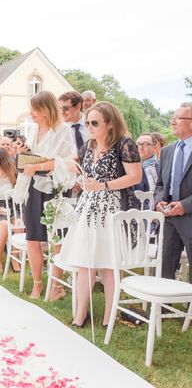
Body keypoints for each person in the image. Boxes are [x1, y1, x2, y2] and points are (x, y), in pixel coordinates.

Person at [61, 102, 142, 327]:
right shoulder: (88, 145)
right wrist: (75, 171)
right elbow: (74, 162)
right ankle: (80, 314)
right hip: (88, 208)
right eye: (87, 123)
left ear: (110, 123)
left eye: (94, 123)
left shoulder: (125, 144)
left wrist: (103, 185)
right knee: (85, 263)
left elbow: (135, 177)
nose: (90, 127)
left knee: (108, 263)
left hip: (113, 210)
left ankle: (109, 315)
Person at [13, 91, 76, 300]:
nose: (31, 113)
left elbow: (67, 162)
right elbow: (33, 157)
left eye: (35, 109)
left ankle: (56, 286)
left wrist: (38, 165)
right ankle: (38, 284)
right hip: (33, 186)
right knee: (33, 237)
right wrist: (24, 155)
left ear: (46, 110)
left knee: (56, 238)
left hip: (55, 187)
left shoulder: (63, 130)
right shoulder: (34, 130)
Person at [155, 102, 192, 283]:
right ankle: (162, 309)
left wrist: (184, 206)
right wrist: (158, 201)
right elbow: (160, 185)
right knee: (166, 267)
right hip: (169, 217)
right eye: (172, 118)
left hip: (190, 215)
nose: (173, 122)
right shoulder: (167, 151)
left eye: (178, 118)